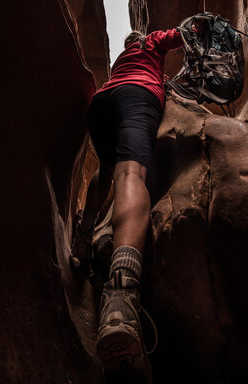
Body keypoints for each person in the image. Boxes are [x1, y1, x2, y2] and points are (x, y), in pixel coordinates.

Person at [71, 26, 188, 379]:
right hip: (137, 96)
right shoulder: (149, 44)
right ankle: (121, 299)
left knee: (106, 170)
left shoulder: (121, 60)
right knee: (130, 175)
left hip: (103, 103)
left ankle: (83, 236)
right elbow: (182, 33)